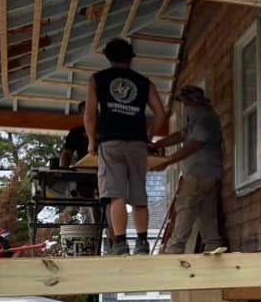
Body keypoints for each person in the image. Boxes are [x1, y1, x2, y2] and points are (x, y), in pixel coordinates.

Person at [85, 38, 167, 256]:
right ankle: (142, 243)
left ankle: (120, 243)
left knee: (116, 195)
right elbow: (161, 113)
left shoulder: (97, 79)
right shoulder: (143, 82)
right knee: (139, 195)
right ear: (131, 58)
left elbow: (90, 115)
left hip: (110, 142)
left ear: (108, 57)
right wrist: (148, 136)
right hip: (137, 143)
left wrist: (92, 141)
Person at [152, 86, 224, 254]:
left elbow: (193, 145)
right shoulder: (197, 119)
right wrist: (157, 144)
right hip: (210, 174)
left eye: (186, 103)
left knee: (185, 206)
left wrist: (168, 161)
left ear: (193, 103)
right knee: (206, 210)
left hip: (199, 173)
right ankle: (213, 245)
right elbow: (181, 135)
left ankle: (175, 249)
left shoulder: (205, 119)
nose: (185, 107)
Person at [60, 101, 89, 167]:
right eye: (86, 112)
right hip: (84, 169)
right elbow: (67, 152)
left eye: (94, 111)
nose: (91, 114)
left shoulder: (107, 130)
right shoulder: (76, 132)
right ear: (81, 115)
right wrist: (63, 170)